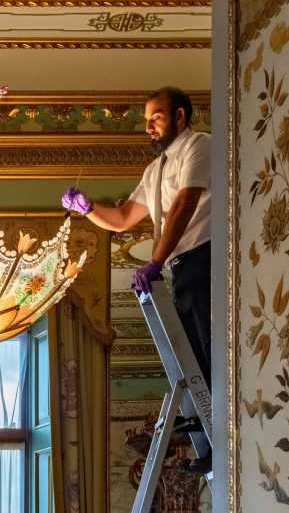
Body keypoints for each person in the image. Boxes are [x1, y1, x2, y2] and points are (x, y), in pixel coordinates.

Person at [62, 86, 211, 473]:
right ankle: (209, 440)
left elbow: (185, 204)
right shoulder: (155, 168)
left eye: (155, 118)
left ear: (180, 116)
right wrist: (88, 208)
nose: (148, 127)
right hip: (180, 267)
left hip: (204, 259)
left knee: (208, 354)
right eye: (145, 121)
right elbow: (125, 217)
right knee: (189, 356)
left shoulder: (200, 145)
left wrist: (155, 260)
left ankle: (220, 439)